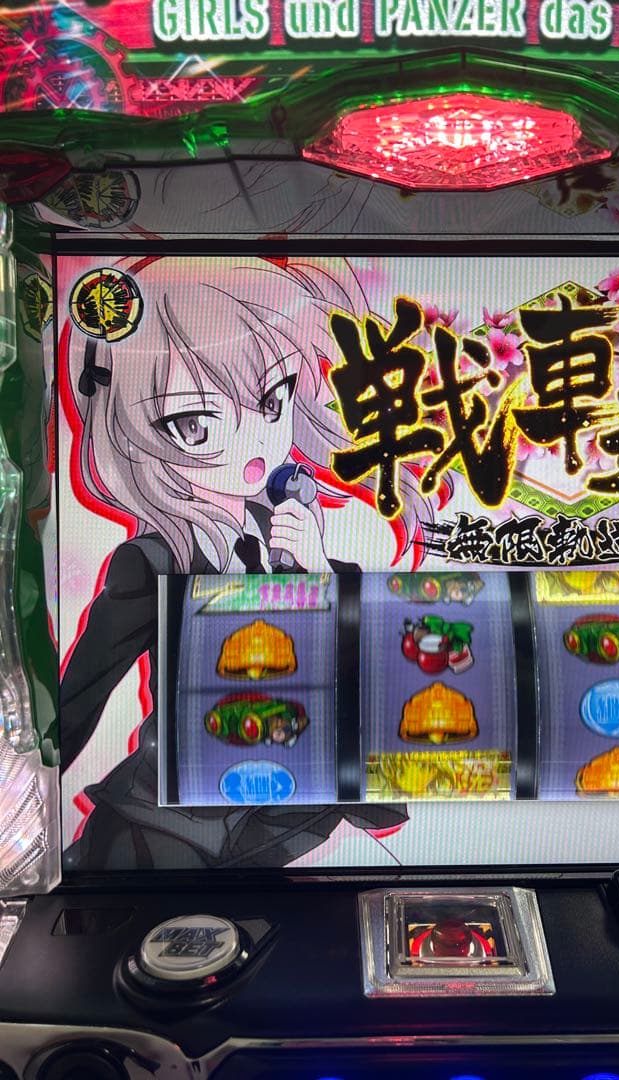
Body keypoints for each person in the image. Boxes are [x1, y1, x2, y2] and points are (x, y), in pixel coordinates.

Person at [61, 255, 429, 870]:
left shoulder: (284, 533)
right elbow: (78, 696)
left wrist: (317, 572)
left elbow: (386, 655)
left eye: (272, 400)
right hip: (175, 822)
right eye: (196, 423)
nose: (255, 442)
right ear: (135, 433)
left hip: (280, 808)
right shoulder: (154, 561)